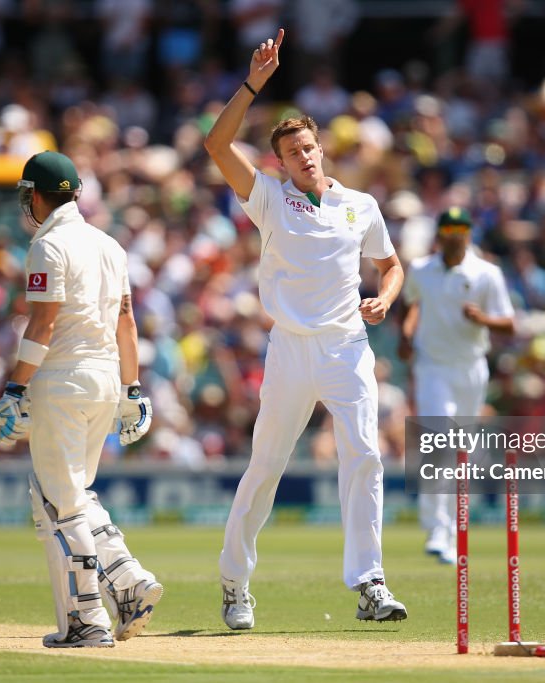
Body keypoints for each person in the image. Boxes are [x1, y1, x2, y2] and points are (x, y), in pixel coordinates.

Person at [203, 29, 408, 629]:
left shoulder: (359, 205)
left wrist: (386, 301)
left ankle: (369, 583)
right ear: (280, 162)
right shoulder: (266, 198)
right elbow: (216, 143)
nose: (306, 158)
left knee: (366, 455)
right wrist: (251, 85)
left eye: (311, 148)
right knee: (266, 465)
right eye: (294, 153)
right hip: (291, 349)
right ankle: (235, 582)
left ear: (322, 148)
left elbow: (391, 266)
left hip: (347, 344)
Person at [0, 151, 162, 648]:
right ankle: (128, 582)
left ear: (37, 196)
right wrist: (133, 391)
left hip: (62, 381)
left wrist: (15, 388)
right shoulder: (109, 245)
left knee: (56, 504)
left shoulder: (49, 246)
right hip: (106, 381)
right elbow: (126, 324)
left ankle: (86, 622)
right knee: (77, 495)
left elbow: (41, 324)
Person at [398, 207, 515, 564]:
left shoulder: (487, 274)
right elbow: (413, 303)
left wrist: (482, 319)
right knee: (440, 441)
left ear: (468, 234)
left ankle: (449, 530)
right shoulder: (420, 270)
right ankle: (436, 526)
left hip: (470, 369)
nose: (454, 234)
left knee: (459, 451)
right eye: (448, 228)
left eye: (460, 228)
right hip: (432, 366)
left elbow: (509, 325)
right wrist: (407, 332)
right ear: (440, 234)